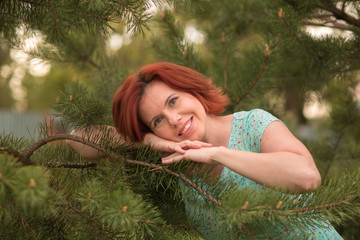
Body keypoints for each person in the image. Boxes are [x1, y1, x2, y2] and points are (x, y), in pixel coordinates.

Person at [69, 62, 342, 239]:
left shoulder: (253, 124)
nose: (173, 119)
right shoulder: (173, 161)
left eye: (173, 101)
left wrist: (216, 154)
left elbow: (307, 176)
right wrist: (146, 141)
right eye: (157, 120)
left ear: (192, 90)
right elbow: (75, 140)